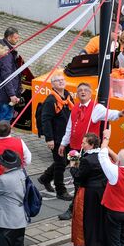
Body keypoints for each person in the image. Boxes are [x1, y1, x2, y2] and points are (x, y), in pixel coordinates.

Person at [57, 82, 122, 219]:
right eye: (80, 90)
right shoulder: (75, 108)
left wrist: (121, 113)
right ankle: (77, 206)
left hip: (88, 152)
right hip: (74, 151)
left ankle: (75, 207)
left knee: (83, 179)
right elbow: (69, 128)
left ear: (91, 92)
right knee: (75, 177)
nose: (82, 92)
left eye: (86, 90)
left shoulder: (96, 108)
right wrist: (63, 143)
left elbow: (109, 114)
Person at [70, 132, 107, 246]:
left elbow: (78, 176)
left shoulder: (86, 160)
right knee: (99, 218)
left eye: (84, 143)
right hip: (102, 191)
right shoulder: (102, 155)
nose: (82, 144)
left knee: (88, 220)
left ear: (91, 145)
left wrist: (73, 163)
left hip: (89, 193)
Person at [39, 71, 74, 200]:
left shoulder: (67, 96)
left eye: (62, 80)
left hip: (68, 135)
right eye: (58, 80)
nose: (61, 82)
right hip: (56, 137)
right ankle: (61, 190)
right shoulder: (51, 100)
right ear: (52, 84)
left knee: (65, 161)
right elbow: (45, 120)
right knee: (60, 163)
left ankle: (45, 177)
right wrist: (49, 139)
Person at [0, 26, 22, 123]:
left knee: (3, 114)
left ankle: (2, 136)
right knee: (5, 117)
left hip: (0, 88)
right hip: (5, 92)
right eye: (16, 38)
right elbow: (7, 75)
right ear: (9, 38)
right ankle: (3, 137)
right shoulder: (6, 54)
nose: (17, 40)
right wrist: (12, 94)